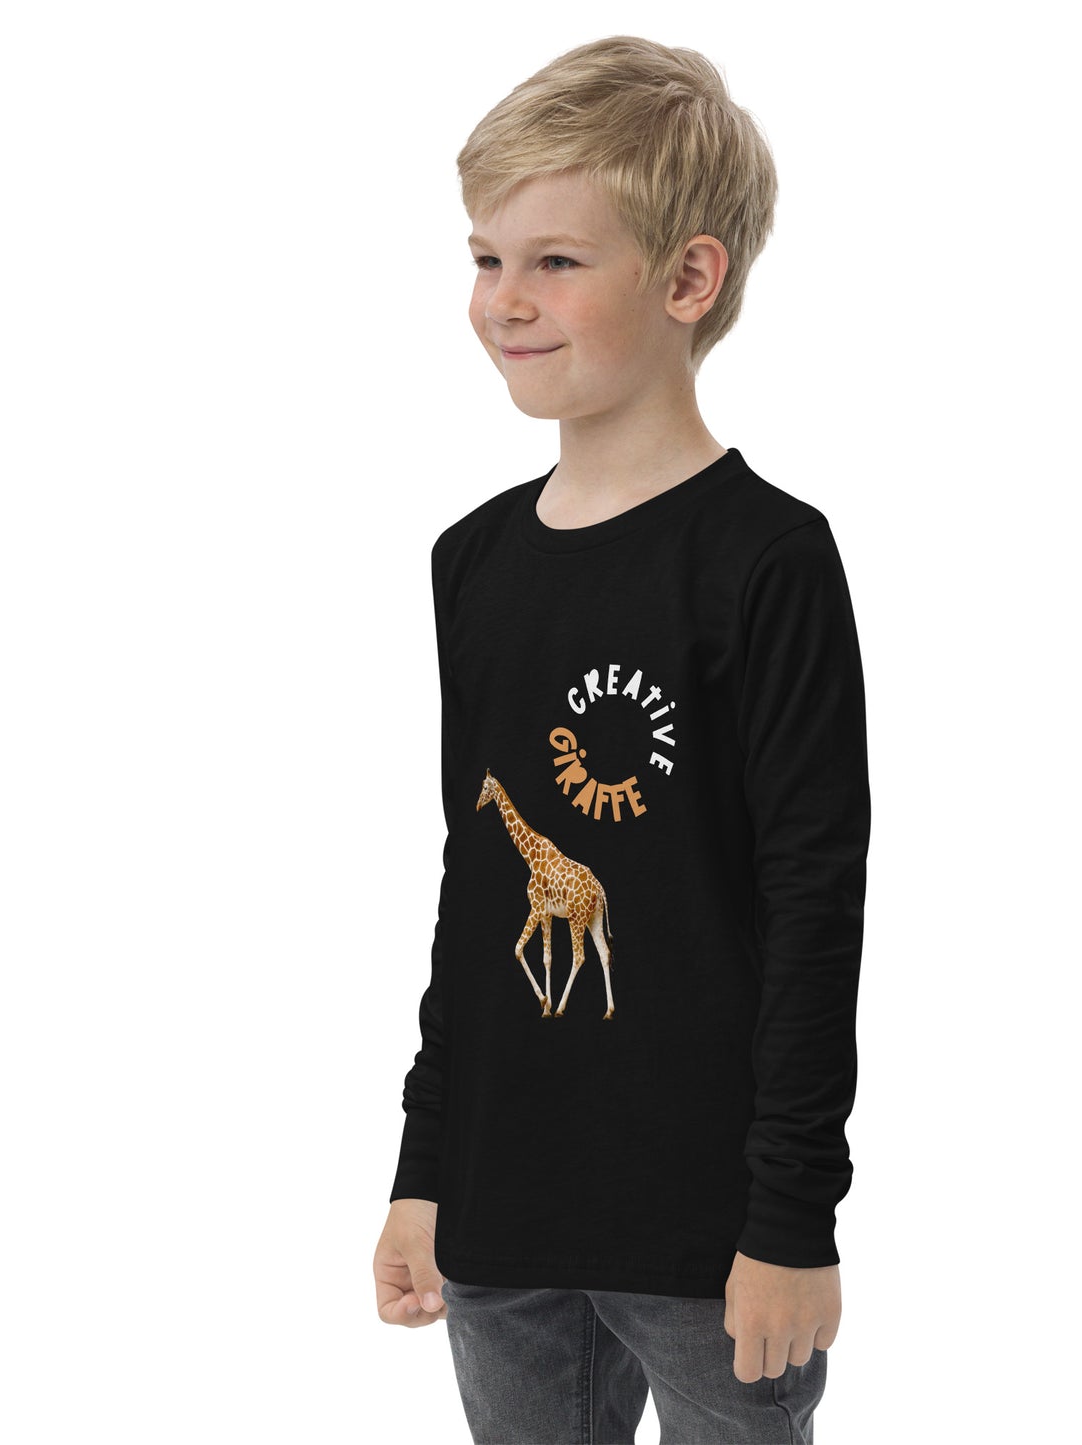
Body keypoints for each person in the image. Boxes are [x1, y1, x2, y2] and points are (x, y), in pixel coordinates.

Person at [372, 34, 870, 1445]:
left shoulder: (767, 562)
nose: (504, 300)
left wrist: (791, 1217)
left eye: (555, 261)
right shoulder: (471, 563)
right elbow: (476, 885)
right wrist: (424, 1166)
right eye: (486, 257)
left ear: (689, 278)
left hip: (709, 1235)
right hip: (500, 1217)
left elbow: (812, 899)